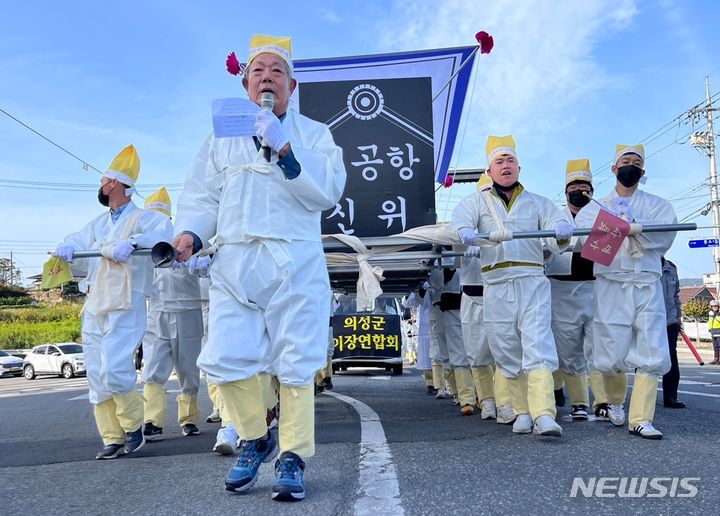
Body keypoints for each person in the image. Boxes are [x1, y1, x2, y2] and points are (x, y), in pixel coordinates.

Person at [171, 34, 346, 501]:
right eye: (257, 71)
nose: (266, 77)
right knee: (225, 360)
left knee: (296, 363)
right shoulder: (220, 139)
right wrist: (190, 233)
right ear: (246, 83)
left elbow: (326, 192)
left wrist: (286, 150)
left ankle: (292, 455)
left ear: (291, 83)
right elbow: (201, 195)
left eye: (275, 71)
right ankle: (254, 436)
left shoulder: (315, 134)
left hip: (295, 260)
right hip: (235, 261)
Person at [54, 145, 173, 459]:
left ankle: (133, 424)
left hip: (126, 300)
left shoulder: (144, 218)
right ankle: (112, 437)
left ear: (119, 185)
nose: (102, 186)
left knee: (115, 368)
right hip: (94, 301)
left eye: (106, 180)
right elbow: (78, 238)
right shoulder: (97, 223)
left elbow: (165, 234)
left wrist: (132, 243)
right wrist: (67, 246)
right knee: (95, 371)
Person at [453, 135, 571, 437]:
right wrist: (465, 231)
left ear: (519, 167)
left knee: (538, 344)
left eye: (510, 161)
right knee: (506, 347)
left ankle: (544, 413)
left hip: (532, 280)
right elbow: (460, 221)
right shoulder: (476, 202)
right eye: (499, 162)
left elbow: (558, 235)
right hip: (495, 283)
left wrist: (561, 233)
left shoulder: (538, 202)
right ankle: (521, 411)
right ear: (489, 170)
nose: (505, 166)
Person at [575, 144, 676, 439]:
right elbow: (583, 237)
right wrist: (621, 227)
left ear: (642, 172)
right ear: (614, 169)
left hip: (646, 281)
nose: (631, 165)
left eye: (636, 162)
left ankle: (641, 418)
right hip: (611, 283)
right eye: (625, 161)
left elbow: (665, 235)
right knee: (610, 347)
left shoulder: (659, 205)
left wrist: (633, 229)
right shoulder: (595, 207)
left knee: (652, 347)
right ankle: (614, 402)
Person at [140, 188, 207, 441]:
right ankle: (152, 419)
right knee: (154, 367)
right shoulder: (142, 243)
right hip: (157, 312)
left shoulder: (183, 238)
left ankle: (188, 419)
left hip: (188, 309)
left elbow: (204, 265)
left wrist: (196, 260)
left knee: (188, 369)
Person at [545, 159, 596, 421]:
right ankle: (576, 400)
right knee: (566, 348)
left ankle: (604, 401)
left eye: (584, 185)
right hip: (561, 290)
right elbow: (544, 250)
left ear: (592, 190)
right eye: (574, 185)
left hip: (595, 287)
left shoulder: (603, 215)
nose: (579, 190)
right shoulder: (553, 216)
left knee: (600, 346)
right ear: (566, 191)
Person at [459, 173, 497, 419]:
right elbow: (448, 248)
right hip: (472, 295)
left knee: (505, 349)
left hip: (499, 291)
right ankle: (487, 398)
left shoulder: (504, 224)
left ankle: (506, 399)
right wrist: (463, 240)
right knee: (477, 351)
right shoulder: (464, 221)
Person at [660, 257, 684, 408]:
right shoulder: (642, 262)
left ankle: (670, 398)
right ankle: (641, 399)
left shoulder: (671, 267)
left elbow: (676, 296)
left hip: (670, 322)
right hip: (648, 321)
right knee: (642, 360)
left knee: (671, 361)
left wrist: (678, 317)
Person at [708, 300, 720, 364]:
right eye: (713, 306)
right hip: (713, 332)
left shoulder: (718, 314)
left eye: (716, 306)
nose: (714, 307)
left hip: (719, 332)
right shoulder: (711, 315)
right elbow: (709, 322)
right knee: (715, 347)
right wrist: (710, 329)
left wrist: (716, 316)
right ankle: (716, 359)